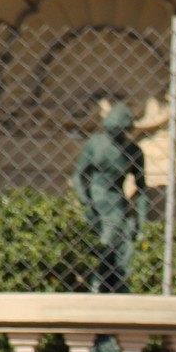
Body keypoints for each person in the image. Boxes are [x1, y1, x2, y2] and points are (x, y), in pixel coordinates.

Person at [75, 103, 148, 293]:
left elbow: (141, 189)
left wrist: (142, 222)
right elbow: (79, 175)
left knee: (123, 243)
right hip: (96, 200)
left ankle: (114, 284)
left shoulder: (134, 152)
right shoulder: (95, 144)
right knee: (104, 242)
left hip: (117, 203)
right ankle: (96, 283)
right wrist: (85, 199)